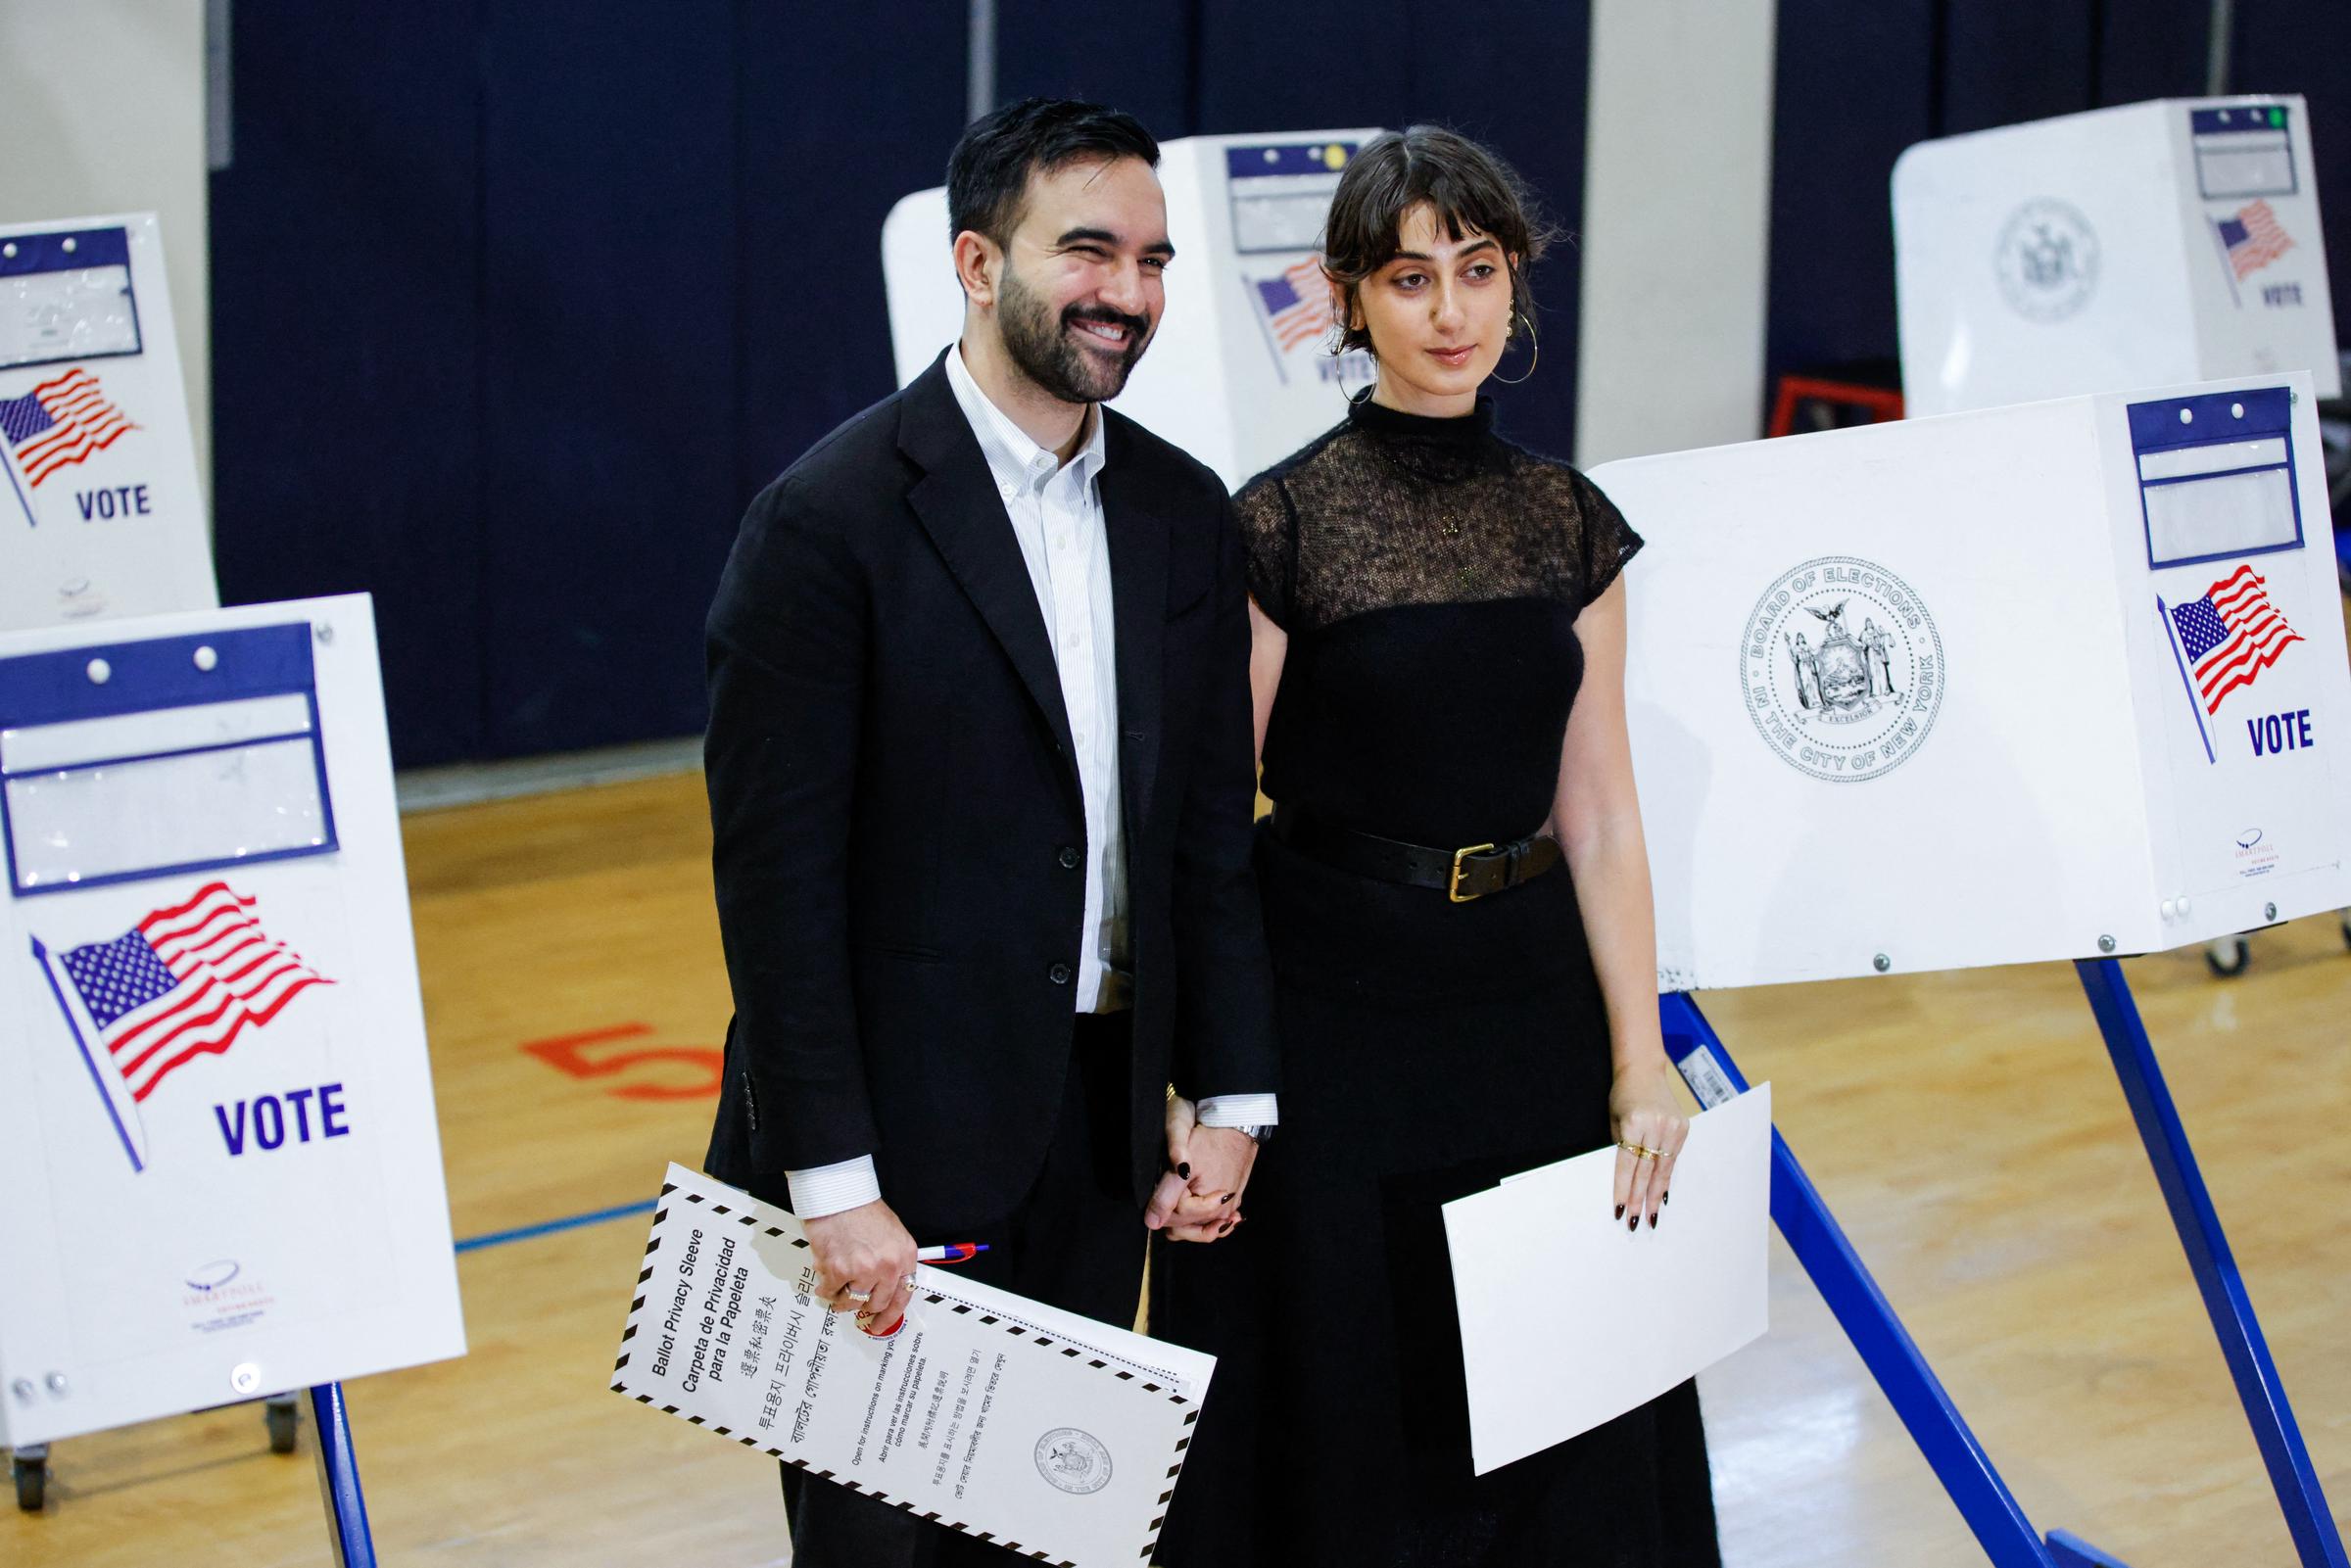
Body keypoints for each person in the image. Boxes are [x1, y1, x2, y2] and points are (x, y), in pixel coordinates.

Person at [700, 96, 1278, 1567]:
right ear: (976, 262)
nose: (1128, 293)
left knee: (1052, 1539)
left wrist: (1231, 1096)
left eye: (1152, 259)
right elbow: (775, 889)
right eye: (1088, 251)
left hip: (1097, 1138)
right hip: (889, 1152)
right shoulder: (824, 521)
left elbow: (1209, 832)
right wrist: (834, 1183)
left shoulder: (1183, 513)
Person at [1149, 125, 1721, 1567]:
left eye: (1477, 270)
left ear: (1516, 283)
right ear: (1348, 298)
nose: (1451, 311)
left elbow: (1602, 814)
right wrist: (1205, 1075)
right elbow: (1204, 829)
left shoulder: (1569, 520)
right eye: (1410, 279)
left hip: (1526, 1012)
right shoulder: (1280, 521)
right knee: (1354, 1404)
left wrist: (1640, 1057)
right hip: (1334, 1017)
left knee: (1558, 1406)